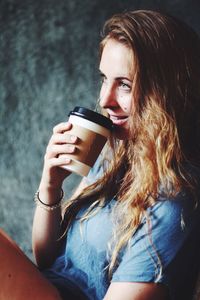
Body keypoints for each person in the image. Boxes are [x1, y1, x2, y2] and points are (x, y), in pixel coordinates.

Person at [31, 9, 200, 300]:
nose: (104, 100)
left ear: (167, 92)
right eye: (104, 79)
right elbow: (49, 262)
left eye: (124, 84)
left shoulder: (173, 204)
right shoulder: (113, 156)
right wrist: (51, 185)